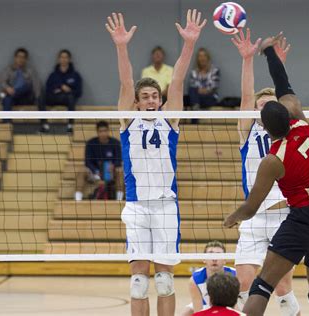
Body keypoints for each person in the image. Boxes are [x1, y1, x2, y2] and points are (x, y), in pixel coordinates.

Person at [224, 32, 309, 316]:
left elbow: (251, 207)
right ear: (289, 115)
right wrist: (269, 53)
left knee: (262, 286)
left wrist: (234, 216)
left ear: (265, 129)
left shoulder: (273, 159)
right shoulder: (302, 123)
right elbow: (284, 84)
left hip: (305, 218)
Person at [105, 10, 206, 316]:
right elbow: (125, 82)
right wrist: (121, 46)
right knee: (138, 281)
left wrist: (189, 44)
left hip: (165, 206)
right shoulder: (128, 122)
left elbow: (176, 83)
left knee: (164, 281)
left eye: (154, 96)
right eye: (144, 96)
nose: (150, 100)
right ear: (136, 102)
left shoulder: (169, 121)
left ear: (160, 101)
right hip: (136, 206)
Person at [231, 29, 300, 316]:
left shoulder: (287, 132)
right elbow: (247, 96)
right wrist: (247, 60)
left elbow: (289, 99)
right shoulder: (248, 132)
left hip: (282, 213)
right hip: (253, 215)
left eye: (269, 105)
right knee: (243, 283)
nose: (263, 108)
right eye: (260, 106)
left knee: (282, 287)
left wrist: (279, 66)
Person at [181, 241, 236, 316]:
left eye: (218, 255)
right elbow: (198, 312)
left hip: (230, 307)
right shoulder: (195, 279)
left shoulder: (235, 276)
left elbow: (236, 307)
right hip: (206, 305)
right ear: (204, 259)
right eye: (210, 254)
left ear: (225, 260)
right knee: (186, 312)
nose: (214, 259)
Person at [74, 121, 123, 201]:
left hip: (110, 172)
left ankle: (119, 200)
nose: (103, 133)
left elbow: (118, 160)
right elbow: (88, 162)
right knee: (82, 170)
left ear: (108, 131)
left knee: (120, 170)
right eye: (101, 131)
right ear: (97, 132)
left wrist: (113, 166)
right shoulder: (91, 143)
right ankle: (77, 200)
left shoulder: (115, 143)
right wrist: (96, 173)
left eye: (105, 131)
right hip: (95, 173)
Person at [40, 49, 83, 133]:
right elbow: (48, 89)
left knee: (71, 97)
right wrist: (59, 87)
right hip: (54, 97)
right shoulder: (53, 75)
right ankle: (44, 125)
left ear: (69, 59)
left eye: (66, 57)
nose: (63, 59)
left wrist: (69, 90)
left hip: (67, 98)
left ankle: (70, 126)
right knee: (41, 98)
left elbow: (79, 92)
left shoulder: (75, 75)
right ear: (58, 59)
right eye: (62, 57)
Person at [0, 48, 41, 114]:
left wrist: (37, 99)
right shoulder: (9, 69)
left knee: (27, 86)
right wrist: (7, 88)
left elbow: (36, 85)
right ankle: (7, 123)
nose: (21, 59)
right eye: (19, 57)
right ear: (15, 58)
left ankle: (2, 96)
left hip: (26, 98)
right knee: (7, 99)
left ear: (26, 59)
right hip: (13, 98)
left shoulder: (30, 71)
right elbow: (2, 81)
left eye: (23, 57)